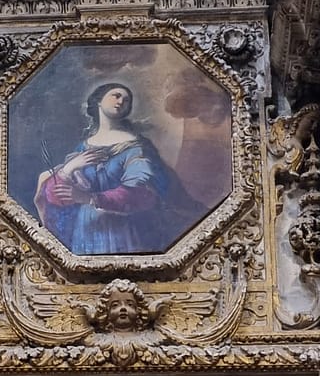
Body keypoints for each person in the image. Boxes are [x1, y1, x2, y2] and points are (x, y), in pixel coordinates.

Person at [34, 82, 200, 255]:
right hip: (86, 229)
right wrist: (69, 168)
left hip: (123, 227)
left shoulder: (136, 148)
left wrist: (88, 197)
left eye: (127, 100)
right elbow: (55, 197)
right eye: (116, 96)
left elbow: (141, 195)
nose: (121, 101)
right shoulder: (82, 148)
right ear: (98, 101)